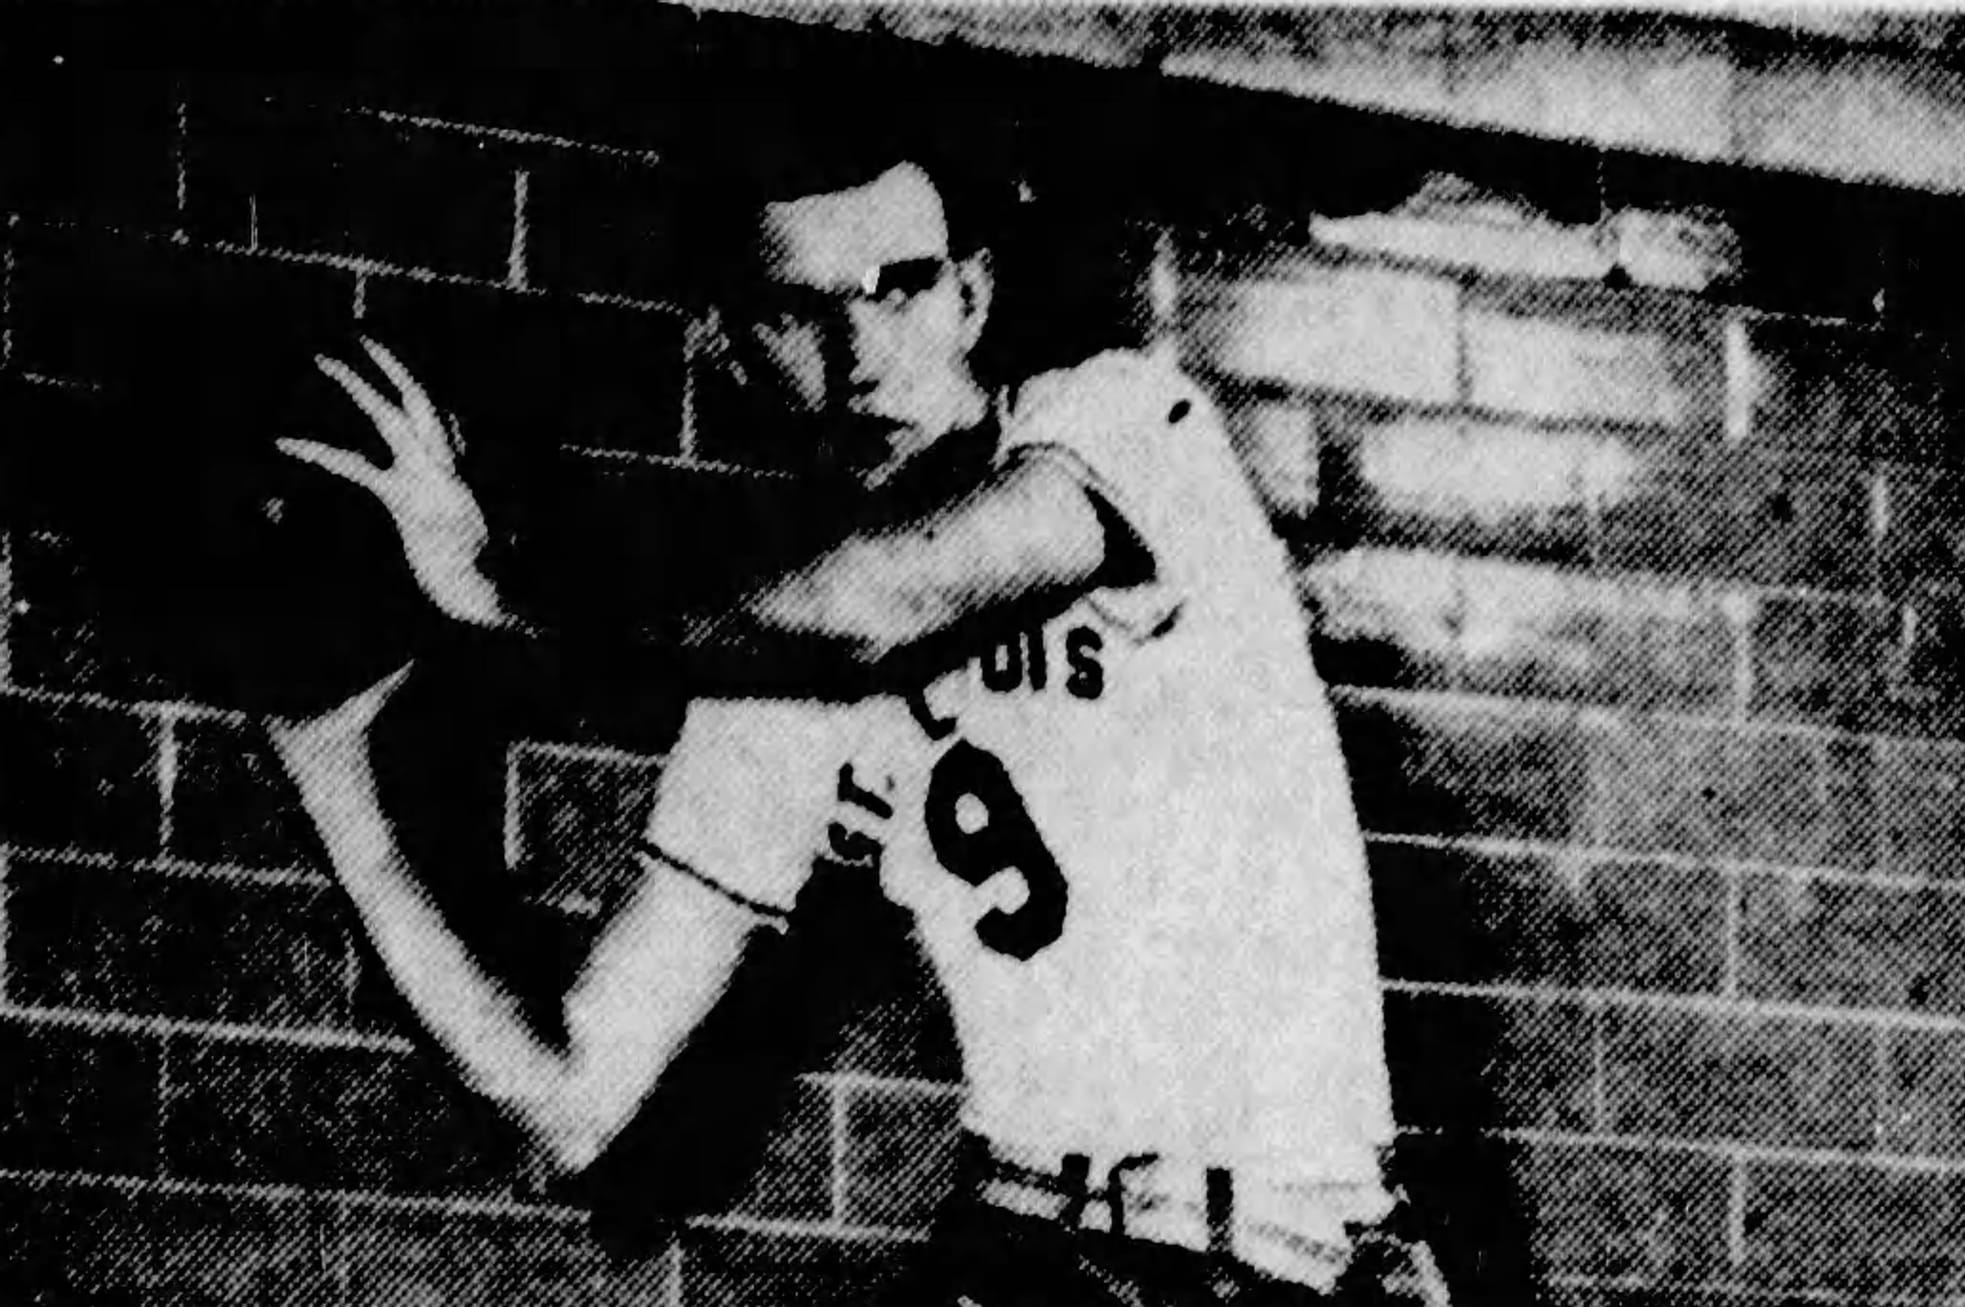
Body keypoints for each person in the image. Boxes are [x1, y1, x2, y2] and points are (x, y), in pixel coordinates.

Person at [265, 149, 1451, 1305]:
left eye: (902, 285)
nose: (860, 351)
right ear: (721, 344)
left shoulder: (1123, 420)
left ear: (972, 295)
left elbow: (881, 609)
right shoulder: (766, 686)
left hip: (1296, 1250)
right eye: (796, 310)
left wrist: (505, 594)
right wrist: (333, 775)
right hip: (1024, 1239)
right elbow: (569, 1108)